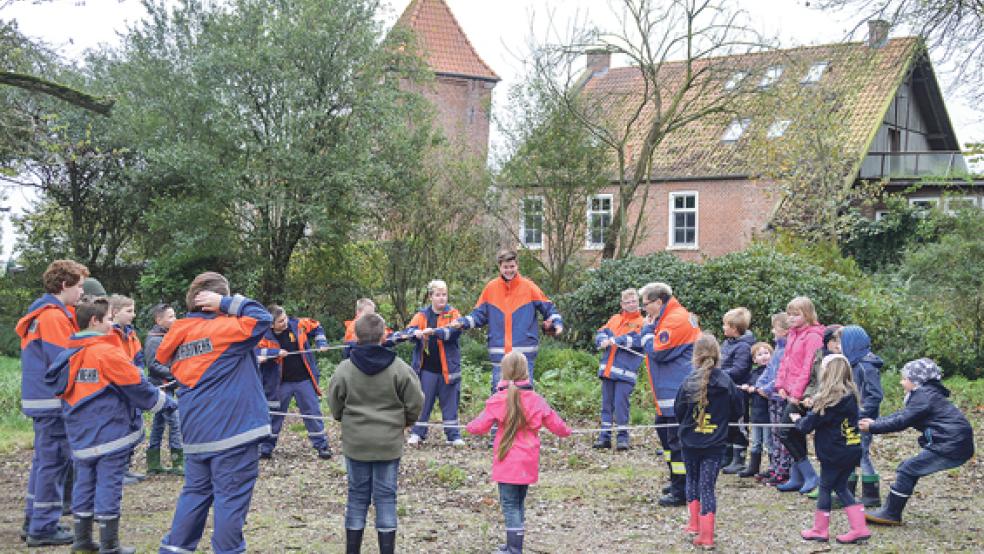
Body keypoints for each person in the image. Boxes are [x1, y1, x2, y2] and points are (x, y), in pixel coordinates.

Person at [45, 297, 177, 554]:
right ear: (95, 321)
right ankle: (110, 545)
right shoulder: (105, 351)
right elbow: (135, 386)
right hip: (109, 431)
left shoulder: (67, 355)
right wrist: (166, 403)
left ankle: (82, 540)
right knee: (109, 484)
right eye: (107, 319)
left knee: (84, 482)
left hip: (80, 433)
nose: (111, 324)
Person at [156, 272, 273, 554]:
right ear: (214, 302)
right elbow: (262, 318)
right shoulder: (226, 329)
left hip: (196, 432)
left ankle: (175, 549)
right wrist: (227, 302)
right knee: (230, 500)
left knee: (195, 494)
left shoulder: (179, 333)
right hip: (233, 431)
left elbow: (203, 362)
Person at [328, 313, 424, 554]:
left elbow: (334, 403)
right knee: (386, 498)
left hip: (356, 443)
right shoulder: (400, 368)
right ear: (384, 336)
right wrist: (406, 422)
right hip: (388, 443)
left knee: (357, 498)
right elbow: (416, 401)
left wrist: (344, 420)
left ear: (356, 336)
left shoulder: (345, 368)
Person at [466, 351, 572, 554]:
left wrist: (467, 427)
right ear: (526, 372)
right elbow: (557, 425)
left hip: (507, 462)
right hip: (528, 461)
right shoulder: (536, 400)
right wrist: (568, 431)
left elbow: (479, 426)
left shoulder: (498, 399)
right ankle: (513, 544)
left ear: (503, 372)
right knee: (518, 503)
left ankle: (514, 549)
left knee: (510, 505)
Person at [16, 259, 89, 546]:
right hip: (52, 401)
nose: (81, 293)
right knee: (54, 463)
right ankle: (43, 527)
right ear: (64, 285)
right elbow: (64, 363)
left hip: (39, 399)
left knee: (43, 462)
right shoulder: (54, 318)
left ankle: (33, 518)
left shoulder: (41, 315)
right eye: (79, 286)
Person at [860, 358, 975, 526]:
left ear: (917, 380)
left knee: (908, 468)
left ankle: (891, 514)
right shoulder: (926, 394)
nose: (901, 382)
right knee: (910, 468)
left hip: (951, 444)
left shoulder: (924, 396)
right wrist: (875, 422)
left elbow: (902, 421)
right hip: (953, 442)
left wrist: (873, 427)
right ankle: (891, 511)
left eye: (905, 378)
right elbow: (901, 415)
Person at [451, 249, 563, 393]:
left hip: (524, 355)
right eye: (505, 267)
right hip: (499, 354)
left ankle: (523, 417)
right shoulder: (490, 288)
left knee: (524, 395)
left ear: (517, 266)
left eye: (512, 266)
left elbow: (549, 309)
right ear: (500, 267)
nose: (509, 270)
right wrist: (463, 322)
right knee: (499, 395)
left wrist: (556, 324)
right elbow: (478, 315)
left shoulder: (529, 287)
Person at [791, 354, 871, 544]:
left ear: (827, 373)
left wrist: (797, 420)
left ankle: (820, 530)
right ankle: (859, 528)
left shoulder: (826, 400)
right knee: (841, 487)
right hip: (851, 449)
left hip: (833, 453)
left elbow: (806, 426)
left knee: (825, 487)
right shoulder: (850, 395)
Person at [675, 333, 743, 549]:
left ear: (695, 356)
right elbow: (738, 410)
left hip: (690, 441)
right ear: (718, 354)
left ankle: (694, 524)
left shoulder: (688, 381)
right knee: (707, 487)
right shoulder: (726, 382)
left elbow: (678, 411)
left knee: (691, 480)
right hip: (715, 443)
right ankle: (706, 536)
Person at [639, 282, 702, 507]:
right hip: (668, 394)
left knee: (677, 443)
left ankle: (682, 490)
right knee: (668, 440)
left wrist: (646, 332)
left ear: (658, 302)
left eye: (645, 304)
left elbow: (658, 351)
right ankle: (678, 481)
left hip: (676, 392)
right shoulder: (667, 318)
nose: (643, 309)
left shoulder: (675, 319)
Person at [395, 280, 466, 446]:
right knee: (423, 402)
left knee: (450, 402)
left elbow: (454, 332)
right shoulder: (421, 315)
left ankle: (453, 435)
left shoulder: (453, 314)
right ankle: (418, 433)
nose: (442, 298)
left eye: (444, 295)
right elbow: (408, 332)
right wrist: (417, 333)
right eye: (438, 295)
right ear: (430, 297)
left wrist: (434, 332)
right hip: (426, 369)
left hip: (448, 368)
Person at [261, 305, 333, 460]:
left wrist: (321, 343)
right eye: (281, 321)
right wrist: (275, 353)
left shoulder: (298, 324)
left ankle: (322, 446)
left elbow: (317, 326)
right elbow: (254, 351)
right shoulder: (263, 335)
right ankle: (266, 448)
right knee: (274, 415)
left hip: (304, 379)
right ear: (271, 324)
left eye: (285, 318)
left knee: (313, 412)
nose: (285, 322)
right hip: (279, 384)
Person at [774, 297, 824, 494]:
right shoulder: (793, 334)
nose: (792, 318)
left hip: (805, 393)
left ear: (808, 315)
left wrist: (796, 393)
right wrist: (780, 385)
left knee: (785, 431)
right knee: (794, 432)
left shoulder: (813, 336)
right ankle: (797, 477)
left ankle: (811, 475)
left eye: (797, 314)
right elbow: (785, 362)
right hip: (790, 390)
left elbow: (808, 367)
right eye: (790, 314)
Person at [592, 288, 647, 451]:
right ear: (622, 304)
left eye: (634, 301)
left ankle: (623, 438)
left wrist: (616, 340)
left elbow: (638, 340)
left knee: (621, 405)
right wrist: (602, 339)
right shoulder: (614, 319)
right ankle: (605, 437)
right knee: (606, 405)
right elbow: (601, 333)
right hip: (608, 371)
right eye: (628, 302)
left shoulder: (643, 322)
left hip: (626, 373)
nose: (631, 304)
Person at [837, 325, 884, 507]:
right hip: (850, 417)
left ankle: (871, 494)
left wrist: (862, 413)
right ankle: (847, 491)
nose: (839, 346)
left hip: (863, 420)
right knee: (849, 452)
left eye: (842, 342)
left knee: (862, 453)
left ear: (851, 343)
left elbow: (875, 395)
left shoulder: (866, 367)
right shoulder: (853, 364)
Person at [109, 294, 147, 485]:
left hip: (133, 385)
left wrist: (139, 374)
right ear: (115, 312)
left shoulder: (131, 334)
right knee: (120, 431)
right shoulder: (109, 334)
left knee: (133, 426)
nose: (133, 315)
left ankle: (126, 468)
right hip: (119, 389)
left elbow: (139, 358)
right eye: (129, 311)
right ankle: (118, 471)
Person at [143, 303, 184, 476]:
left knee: (159, 423)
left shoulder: (167, 336)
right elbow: (152, 365)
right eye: (170, 317)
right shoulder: (154, 339)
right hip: (160, 386)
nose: (174, 320)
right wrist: (174, 374)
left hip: (168, 385)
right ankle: (178, 462)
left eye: (174, 315)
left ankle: (153, 464)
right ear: (159, 320)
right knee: (175, 421)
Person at [753, 312, 792, 484]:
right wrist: (761, 386)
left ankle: (783, 470)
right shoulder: (777, 348)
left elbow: (782, 376)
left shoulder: (788, 350)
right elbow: (769, 371)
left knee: (782, 435)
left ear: (784, 330)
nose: (772, 331)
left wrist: (768, 389)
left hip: (781, 397)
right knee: (774, 435)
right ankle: (775, 466)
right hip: (772, 399)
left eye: (775, 328)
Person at [719, 307, 756, 474]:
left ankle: (739, 457)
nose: (723, 328)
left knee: (739, 422)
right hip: (724, 391)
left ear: (734, 328)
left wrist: (718, 374)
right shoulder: (727, 343)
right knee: (726, 422)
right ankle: (726, 456)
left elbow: (739, 369)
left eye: (726, 325)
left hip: (738, 391)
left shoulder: (743, 347)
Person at [738, 342, 773, 478]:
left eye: (766, 353)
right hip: (756, 413)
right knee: (756, 441)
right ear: (754, 359)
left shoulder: (772, 371)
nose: (764, 356)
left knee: (768, 442)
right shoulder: (753, 373)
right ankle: (753, 467)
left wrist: (757, 390)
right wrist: (747, 388)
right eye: (760, 354)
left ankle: (773, 467)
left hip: (768, 414)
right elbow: (750, 389)